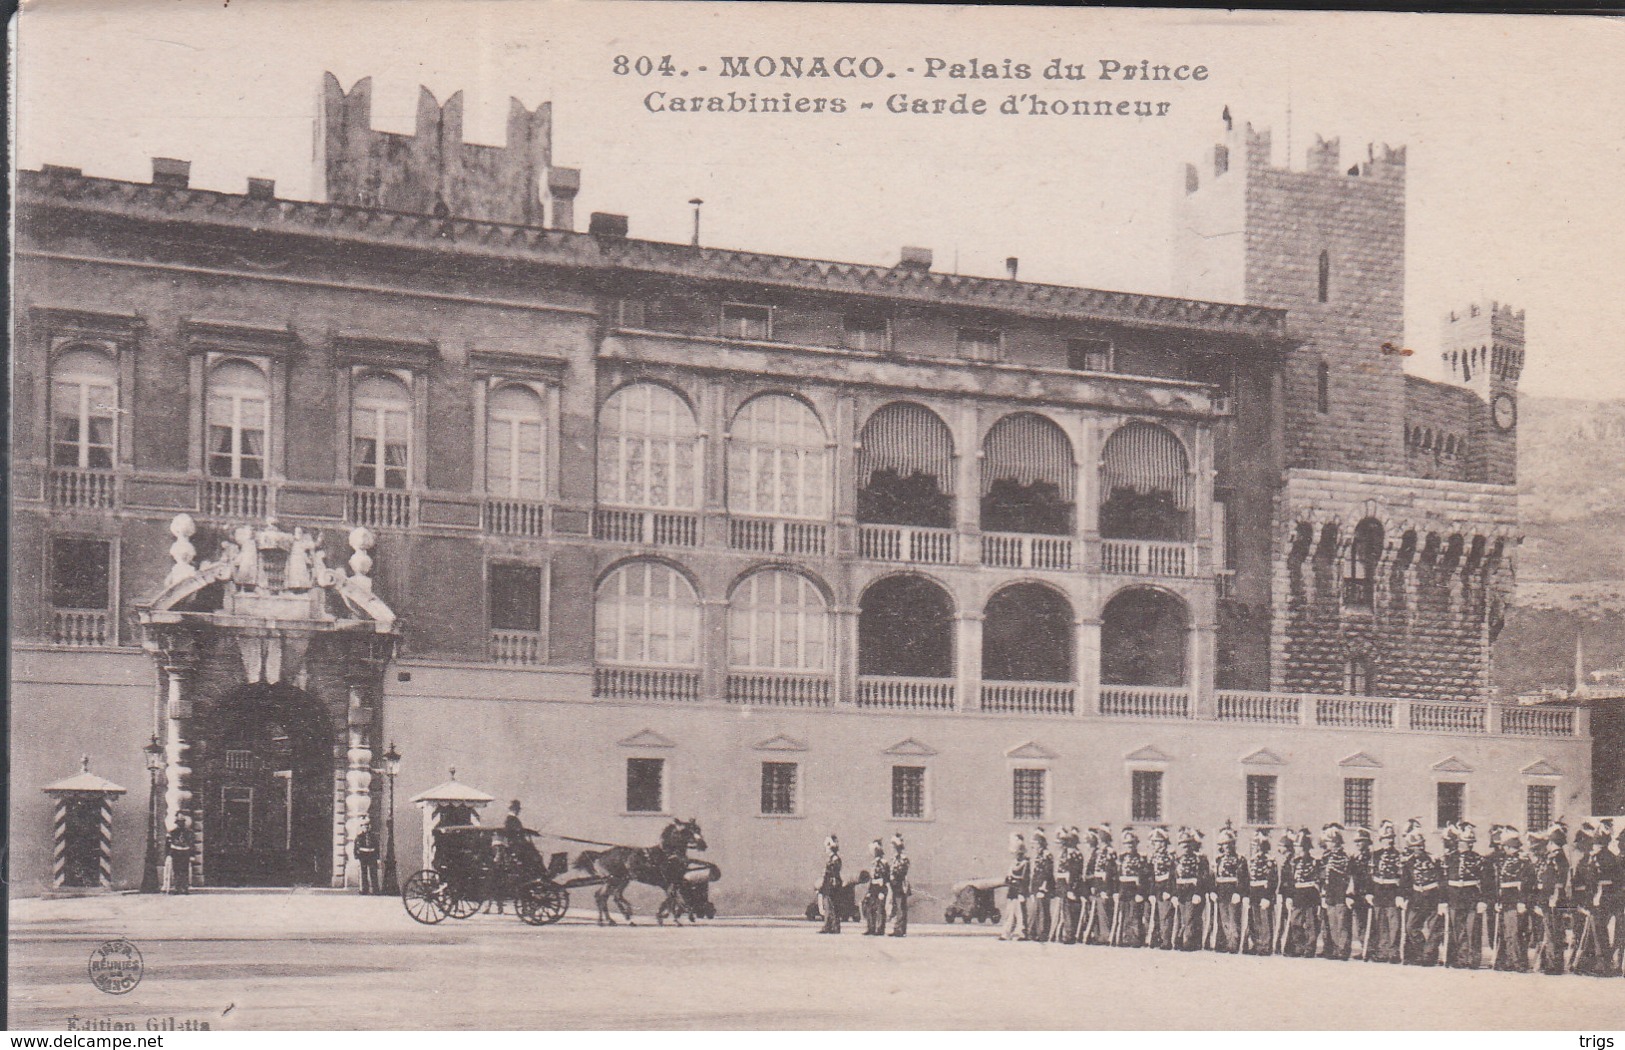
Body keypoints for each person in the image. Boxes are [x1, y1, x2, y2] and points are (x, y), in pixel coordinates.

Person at [1444, 821, 1490, 969]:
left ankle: (1474, 959)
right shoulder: (1449, 858)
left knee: (1473, 929)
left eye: (1469, 843)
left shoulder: (1478, 859)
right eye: (1463, 842)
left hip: (1472, 897)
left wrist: (1483, 900)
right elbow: (1443, 880)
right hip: (1454, 897)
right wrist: (1443, 900)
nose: (1466, 845)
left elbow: (1486, 881)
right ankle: (1461, 958)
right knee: (1458, 930)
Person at [1399, 819, 1444, 967]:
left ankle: (1429, 956)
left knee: (1434, 928)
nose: (1419, 848)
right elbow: (1405, 881)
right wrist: (1402, 896)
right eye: (1416, 846)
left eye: (1421, 845)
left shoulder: (1434, 860)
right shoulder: (1409, 862)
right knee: (1411, 927)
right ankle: (1423, 952)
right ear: (1411, 847)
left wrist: (1442, 901)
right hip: (1417, 898)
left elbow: (1441, 880)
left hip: (1433, 896)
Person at [1492, 830, 1533, 971]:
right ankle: (1509, 960)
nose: (1504, 849)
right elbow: (1500, 884)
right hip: (1505, 901)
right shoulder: (1504, 861)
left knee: (1515, 933)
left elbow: (1526, 883)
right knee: (1507, 933)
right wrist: (1498, 901)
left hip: (1515, 901)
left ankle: (1518, 962)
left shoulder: (1523, 862)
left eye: (1506, 846)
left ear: (1510, 847)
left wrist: (1522, 901)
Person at [1365, 820, 1404, 963]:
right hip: (1378, 892)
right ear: (1381, 840)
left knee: (1394, 924)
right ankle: (1382, 952)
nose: (1389, 841)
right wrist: (1369, 892)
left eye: (1391, 838)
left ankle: (1393, 953)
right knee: (1380, 923)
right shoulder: (1375, 855)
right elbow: (1370, 875)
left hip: (1392, 892)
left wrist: (1400, 895)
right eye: (1386, 838)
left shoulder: (1399, 855)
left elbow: (1402, 877)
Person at [1532, 827, 1568, 974]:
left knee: (1552, 931)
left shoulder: (1557, 857)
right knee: (1551, 930)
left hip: (1553, 898)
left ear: (1552, 843)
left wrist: (1551, 896)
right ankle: (1551, 963)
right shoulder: (1558, 856)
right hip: (1552, 897)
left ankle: (1554, 965)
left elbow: (1555, 880)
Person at [1283, 828, 1322, 958]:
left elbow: (1317, 880)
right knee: (1295, 922)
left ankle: (1310, 948)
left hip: (1310, 895)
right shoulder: (1295, 863)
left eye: (1299, 847)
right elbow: (1291, 881)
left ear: (1305, 848)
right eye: (1296, 846)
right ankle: (1298, 947)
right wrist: (1289, 896)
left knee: (1311, 923)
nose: (1297, 849)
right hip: (1298, 895)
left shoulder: (1314, 862)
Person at [1318, 824, 1355, 961]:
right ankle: (1335, 948)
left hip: (1341, 894)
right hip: (1330, 895)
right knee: (1332, 923)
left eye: (1329, 842)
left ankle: (1343, 949)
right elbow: (1324, 878)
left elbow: (1349, 877)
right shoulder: (1326, 857)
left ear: (1335, 842)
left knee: (1342, 923)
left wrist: (1348, 895)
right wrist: (1324, 894)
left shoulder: (1345, 857)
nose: (1327, 844)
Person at [1212, 821, 1248, 953]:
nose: (1226, 847)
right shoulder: (1218, 860)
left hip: (1233, 891)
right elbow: (1213, 877)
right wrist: (1213, 891)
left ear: (1233, 844)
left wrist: (1239, 892)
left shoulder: (1240, 859)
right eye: (1224, 844)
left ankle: (1233, 944)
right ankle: (1224, 943)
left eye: (1229, 844)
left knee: (1233, 918)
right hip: (1221, 891)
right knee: (1223, 918)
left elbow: (1243, 878)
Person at [1172, 826, 1210, 951]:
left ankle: (1188, 942)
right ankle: (1180, 940)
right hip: (1181, 892)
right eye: (1183, 845)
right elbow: (1173, 878)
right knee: (1182, 918)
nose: (1185, 848)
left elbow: (1203, 877)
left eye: (1188, 845)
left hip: (1193, 893)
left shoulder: (1199, 859)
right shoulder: (1177, 860)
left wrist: (1198, 893)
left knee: (1190, 918)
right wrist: (1174, 894)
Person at [1115, 827, 1151, 948]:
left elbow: (1144, 877)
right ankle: (1125, 938)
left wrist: (1140, 892)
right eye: (1126, 844)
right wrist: (1116, 891)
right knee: (1124, 914)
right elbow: (1116, 875)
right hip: (1123, 889)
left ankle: (1135, 939)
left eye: (1131, 843)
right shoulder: (1120, 858)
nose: (1129, 846)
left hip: (1135, 890)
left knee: (1135, 914)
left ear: (1136, 844)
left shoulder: (1141, 858)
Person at [1244, 828, 1278, 956]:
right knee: (1255, 919)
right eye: (1253, 845)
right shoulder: (1252, 860)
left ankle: (1265, 946)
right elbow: (1249, 879)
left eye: (1257, 845)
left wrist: (1268, 896)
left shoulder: (1269, 860)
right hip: (1254, 892)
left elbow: (1272, 879)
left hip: (1264, 892)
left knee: (1265, 920)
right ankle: (1257, 944)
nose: (1254, 848)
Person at [1085, 825, 1117, 946]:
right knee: (1097, 910)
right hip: (1097, 884)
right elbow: (1094, 870)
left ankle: (1105, 936)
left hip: (1105, 886)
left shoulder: (1110, 852)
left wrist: (1106, 889)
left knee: (1104, 911)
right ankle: (1098, 935)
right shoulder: (1098, 852)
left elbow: (1111, 872)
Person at [1148, 826, 1177, 949]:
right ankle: (1156, 939)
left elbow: (1172, 875)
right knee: (1156, 915)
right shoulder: (1153, 857)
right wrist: (1151, 892)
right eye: (1155, 842)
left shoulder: (1169, 857)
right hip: (1156, 888)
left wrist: (1168, 891)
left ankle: (1166, 941)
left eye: (1159, 842)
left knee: (1165, 915)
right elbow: (1151, 876)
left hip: (1165, 887)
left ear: (1164, 843)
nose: (1157, 844)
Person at [1057, 827, 1084, 944]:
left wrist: (1070, 889)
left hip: (1071, 885)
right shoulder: (1068, 853)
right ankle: (1067, 933)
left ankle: (1069, 934)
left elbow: (1073, 872)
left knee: (1069, 911)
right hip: (1065, 885)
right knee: (1066, 910)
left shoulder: (1073, 854)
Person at [1026, 828, 1054, 942]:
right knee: (1035, 910)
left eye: (1034, 843)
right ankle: (1033, 932)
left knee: (1042, 910)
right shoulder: (1037, 855)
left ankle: (1042, 933)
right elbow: (1035, 873)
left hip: (1043, 887)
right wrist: (1033, 889)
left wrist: (1043, 887)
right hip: (1037, 886)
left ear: (1040, 844)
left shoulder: (1047, 855)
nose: (1033, 846)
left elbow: (1047, 872)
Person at [1000, 834, 1029, 942]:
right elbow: (1009, 876)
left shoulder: (1025, 863)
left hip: (1019, 890)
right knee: (1009, 913)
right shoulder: (1013, 863)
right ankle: (1006, 933)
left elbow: (1025, 879)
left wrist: (1022, 892)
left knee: (1020, 914)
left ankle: (1021, 933)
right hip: (1012, 890)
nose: (1016, 855)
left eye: (1018, 853)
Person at [817, 835, 843, 934]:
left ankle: (834, 926)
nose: (826, 849)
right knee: (828, 906)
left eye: (827, 847)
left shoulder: (835, 859)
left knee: (832, 906)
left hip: (832, 885)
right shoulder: (831, 859)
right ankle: (828, 925)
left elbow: (834, 872)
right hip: (828, 884)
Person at [863, 839, 889, 936]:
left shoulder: (884, 863)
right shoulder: (873, 863)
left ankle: (880, 929)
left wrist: (882, 891)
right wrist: (869, 891)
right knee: (870, 907)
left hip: (880, 887)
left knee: (880, 908)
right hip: (873, 887)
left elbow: (885, 877)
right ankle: (871, 927)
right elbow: (872, 878)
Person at [887, 833, 911, 937]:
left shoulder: (903, 858)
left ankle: (900, 929)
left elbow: (903, 870)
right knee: (896, 906)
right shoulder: (894, 858)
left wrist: (894, 876)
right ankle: (897, 927)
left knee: (901, 906)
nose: (891, 848)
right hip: (894, 885)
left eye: (893, 846)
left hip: (900, 885)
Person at [167, 813, 195, 894]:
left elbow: (192, 844)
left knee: (185, 870)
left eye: (182, 822)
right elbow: (169, 844)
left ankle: (185, 888)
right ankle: (177, 887)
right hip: (176, 852)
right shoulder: (173, 832)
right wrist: (169, 854)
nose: (180, 824)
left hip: (185, 852)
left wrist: (192, 855)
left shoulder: (189, 832)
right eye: (179, 822)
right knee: (176, 870)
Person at [353, 817, 380, 895]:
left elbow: (377, 846)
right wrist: (356, 855)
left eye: (367, 825)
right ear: (362, 827)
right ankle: (364, 889)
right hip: (363, 856)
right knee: (363, 873)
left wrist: (377, 857)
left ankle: (375, 890)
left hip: (372, 855)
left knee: (373, 873)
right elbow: (356, 847)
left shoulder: (373, 836)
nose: (366, 827)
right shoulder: (359, 837)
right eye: (364, 826)